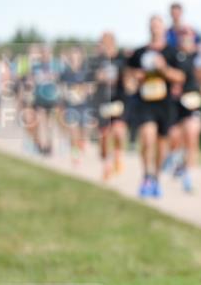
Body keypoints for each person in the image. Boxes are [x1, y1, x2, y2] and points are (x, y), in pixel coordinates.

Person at [127, 15, 186, 198]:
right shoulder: (139, 52)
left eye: (158, 26)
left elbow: (181, 77)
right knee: (147, 138)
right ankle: (146, 175)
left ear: (163, 29)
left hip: (165, 104)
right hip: (145, 103)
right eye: (152, 26)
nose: (155, 29)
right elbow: (128, 79)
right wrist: (136, 77)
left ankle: (156, 179)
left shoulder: (172, 52)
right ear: (149, 28)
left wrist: (163, 69)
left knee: (161, 145)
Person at [170, 26, 201, 193]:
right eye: (182, 34)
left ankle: (189, 175)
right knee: (175, 136)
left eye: (188, 34)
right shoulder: (174, 56)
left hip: (194, 100)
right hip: (176, 102)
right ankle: (177, 160)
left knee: (192, 135)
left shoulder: (199, 56)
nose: (185, 37)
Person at [91, 32, 129, 180]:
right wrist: (98, 77)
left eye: (106, 43)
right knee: (104, 137)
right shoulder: (97, 61)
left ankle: (118, 155)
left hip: (119, 100)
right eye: (102, 43)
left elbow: (129, 75)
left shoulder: (121, 59)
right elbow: (91, 79)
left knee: (119, 132)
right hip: (102, 102)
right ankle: (106, 164)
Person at [60, 46, 92, 166]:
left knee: (83, 132)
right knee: (73, 131)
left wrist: (83, 90)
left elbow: (91, 87)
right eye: (72, 55)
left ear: (81, 57)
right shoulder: (66, 72)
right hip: (70, 106)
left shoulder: (86, 71)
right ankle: (75, 155)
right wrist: (65, 96)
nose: (75, 58)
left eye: (77, 55)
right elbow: (62, 88)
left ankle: (81, 145)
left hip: (84, 106)